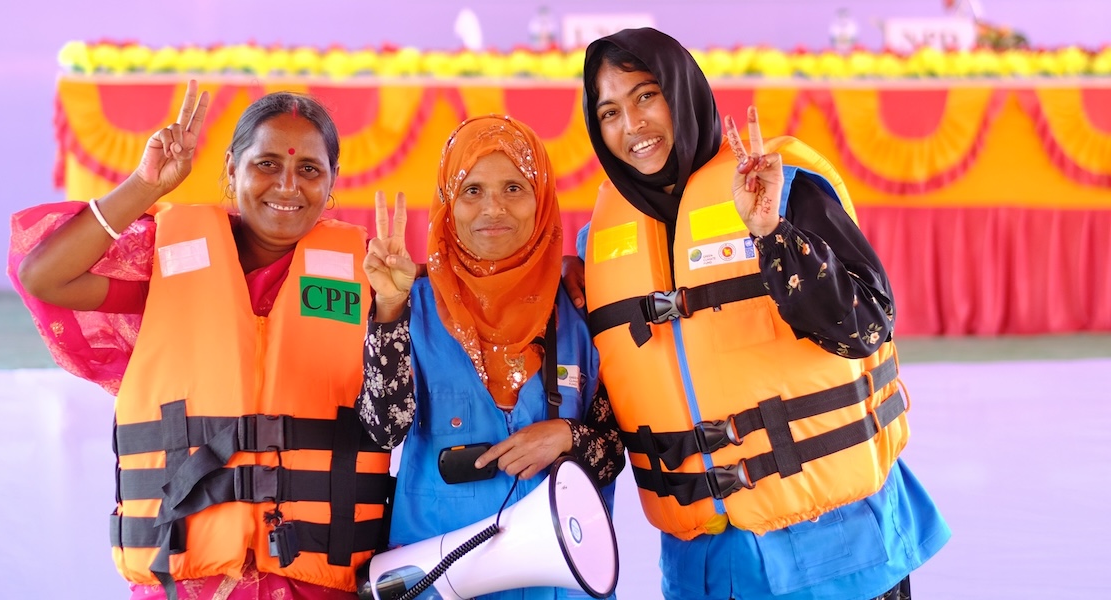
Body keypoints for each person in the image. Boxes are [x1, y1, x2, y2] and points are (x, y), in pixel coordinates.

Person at [563, 28, 951, 600]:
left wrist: (773, 234)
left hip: (841, 557)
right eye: (610, 112)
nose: (632, 124)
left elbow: (867, 326)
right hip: (708, 573)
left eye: (646, 95)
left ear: (681, 90)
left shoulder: (783, 187)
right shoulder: (597, 249)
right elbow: (611, 407)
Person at [9, 81, 410, 600]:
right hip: (188, 578)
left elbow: (393, 422)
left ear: (332, 180)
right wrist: (145, 185)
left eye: (309, 169)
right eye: (266, 164)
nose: (287, 185)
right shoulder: (164, 258)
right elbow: (43, 276)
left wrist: (391, 309)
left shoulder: (374, 274)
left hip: (317, 583)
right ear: (231, 169)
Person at [358, 115, 625, 599]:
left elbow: (613, 454)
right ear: (448, 203)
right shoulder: (411, 305)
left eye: (514, 188)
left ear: (541, 198)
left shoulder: (580, 308)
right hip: (440, 576)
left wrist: (568, 436)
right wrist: (390, 311)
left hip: (560, 580)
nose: (493, 208)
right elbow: (383, 429)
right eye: (472, 191)